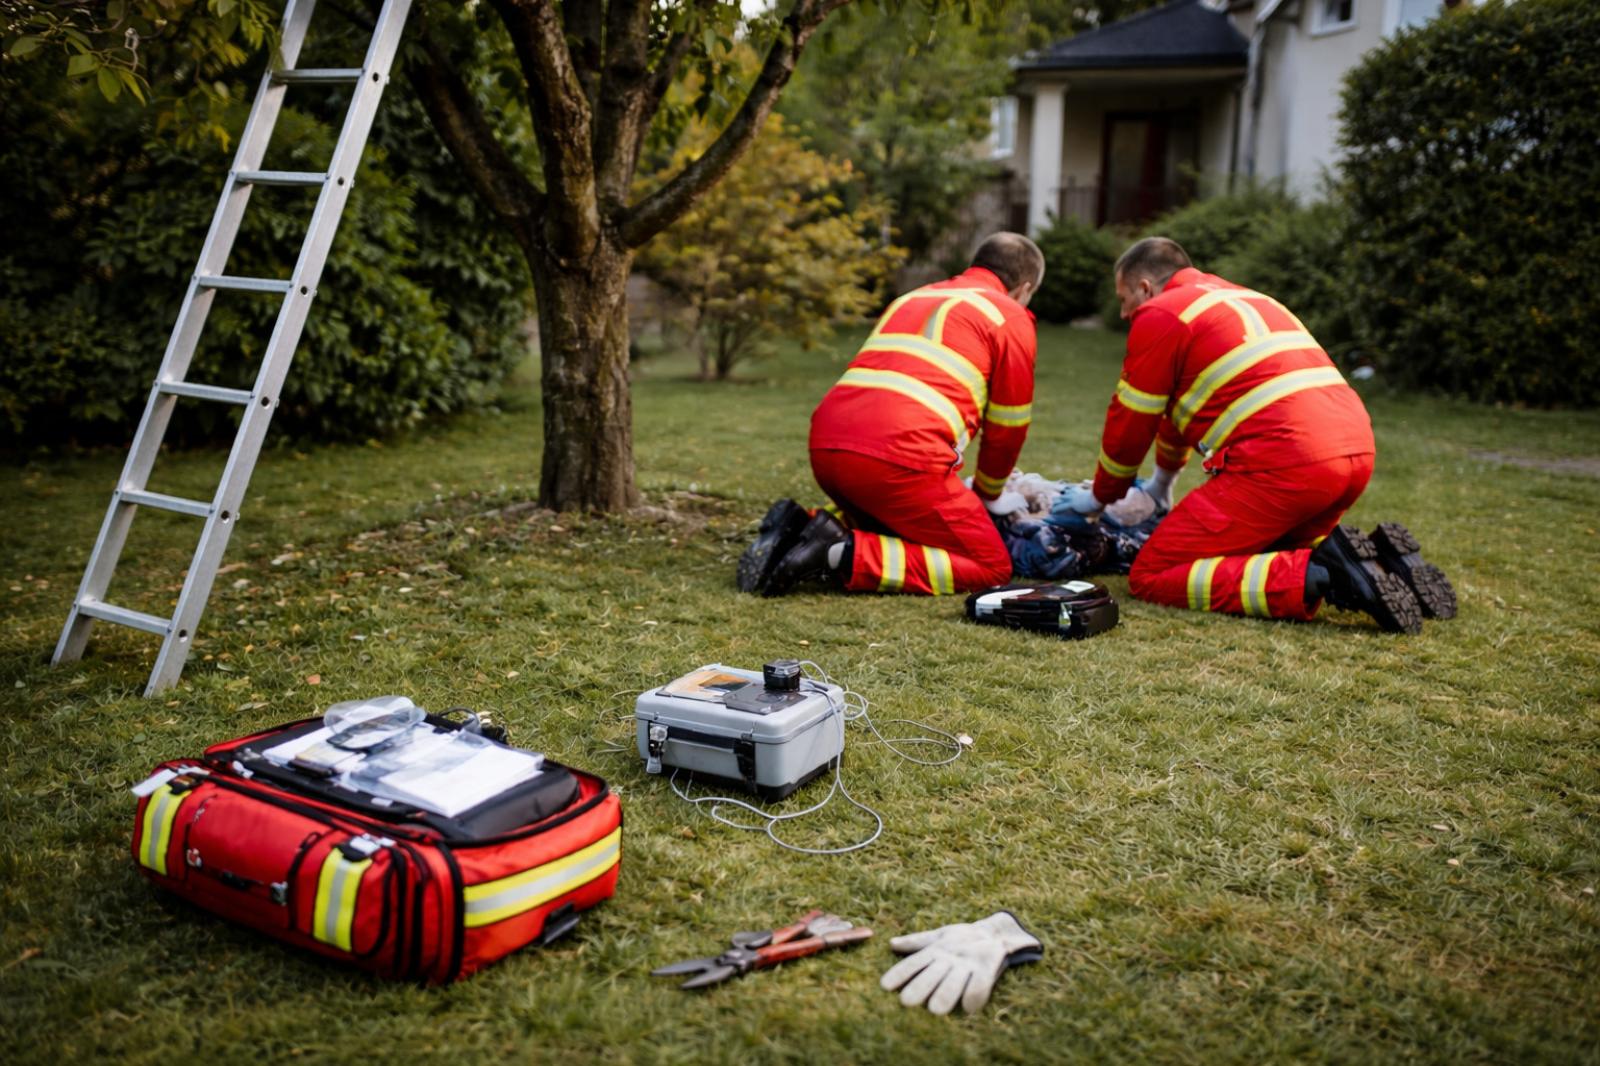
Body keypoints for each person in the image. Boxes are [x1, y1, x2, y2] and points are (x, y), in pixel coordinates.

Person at [1054, 236, 1456, 632]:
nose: (1125, 314)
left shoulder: (1162, 314)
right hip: (1354, 453)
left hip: (1285, 463)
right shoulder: (1248, 299)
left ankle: (1326, 576)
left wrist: (1099, 496)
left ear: (1145, 287)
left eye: (1125, 300)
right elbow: (1175, 410)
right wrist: (1161, 483)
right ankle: (1385, 568)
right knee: (1263, 556)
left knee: (1154, 572)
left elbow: (1132, 420)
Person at [739, 232, 1045, 597]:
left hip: (826, 447)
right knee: (990, 565)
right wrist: (988, 493)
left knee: (893, 524)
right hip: (900, 459)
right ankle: (837, 552)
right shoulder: (1008, 315)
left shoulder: (911, 298)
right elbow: (1008, 425)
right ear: (1024, 288)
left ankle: (800, 528)